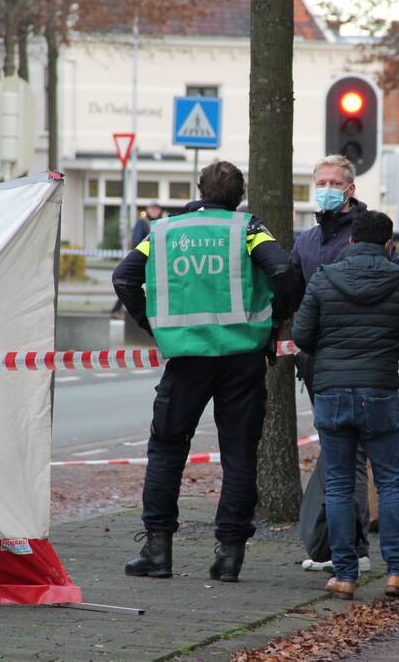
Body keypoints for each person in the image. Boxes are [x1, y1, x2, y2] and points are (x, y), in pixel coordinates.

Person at [113, 160, 301, 583]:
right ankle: (229, 558)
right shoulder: (248, 229)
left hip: (186, 360)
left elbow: (123, 278)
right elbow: (284, 270)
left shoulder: (163, 233)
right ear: (238, 197)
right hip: (242, 360)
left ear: (199, 189)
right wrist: (275, 323)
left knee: (166, 449)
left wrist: (154, 326)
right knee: (238, 455)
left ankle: (157, 552)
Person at [292, 209, 399, 605]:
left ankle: (346, 576)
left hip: (332, 390)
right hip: (380, 392)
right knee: (390, 483)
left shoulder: (323, 278)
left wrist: (332, 351)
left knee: (337, 483)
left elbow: (302, 335)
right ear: (389, 244)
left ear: (351, 240)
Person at [292, 155, 399, 573]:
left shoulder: (371, 235)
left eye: (333, 182)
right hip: (319, 367)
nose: (325, 187)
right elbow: (296, 302)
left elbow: (394, 290)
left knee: (351, 463)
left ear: (349, 189)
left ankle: (351, 551)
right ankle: (348, 550)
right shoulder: (305, 242)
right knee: (342, 458)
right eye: (319, 181)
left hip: (361, 365)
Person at [114, 201, 165, 318]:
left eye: (157, 209)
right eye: (152, 209)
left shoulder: (157, 223)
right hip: (142, 258)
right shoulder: (142, 222)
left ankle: (118, 309)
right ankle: (117, 309)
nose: (155, 211)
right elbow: (136, 241)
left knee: (129, 285)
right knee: (128, 284)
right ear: (148, 210)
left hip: (151, 259)